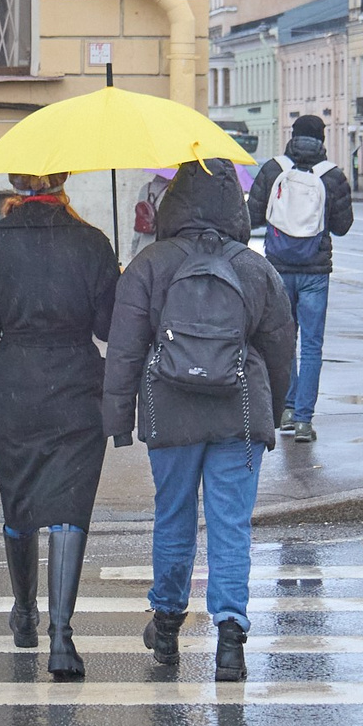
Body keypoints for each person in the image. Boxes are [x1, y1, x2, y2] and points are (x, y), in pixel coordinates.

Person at [103, 160, 296, 684]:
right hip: (240, 412)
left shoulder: (150, 264)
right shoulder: (256, 268)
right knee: (231, 525)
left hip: (169, 410)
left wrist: (119, 420)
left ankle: (166, 627)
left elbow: (123, 350)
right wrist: (272, 413)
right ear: (235, 206)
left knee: (174, 517)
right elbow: (282, 351)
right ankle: (230, 638)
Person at [0, 171, 118, 678]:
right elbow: (108, 327)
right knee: (70, 504)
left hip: (15, 385)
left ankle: (25, 614)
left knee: (20, 496)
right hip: (76, 382)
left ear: (16, 181)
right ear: (63, 179)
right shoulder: (91, 241)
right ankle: (62, 639)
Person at [246, 114, 354, 444]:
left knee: (282, 341)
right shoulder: (332, 175)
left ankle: (287, 409)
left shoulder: (273, 169)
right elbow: (342, 226)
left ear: (292, 136)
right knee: (312, 346)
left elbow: (251, 216)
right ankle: (305, 421)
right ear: (322, 139)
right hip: (315, 271)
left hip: (278, 267)